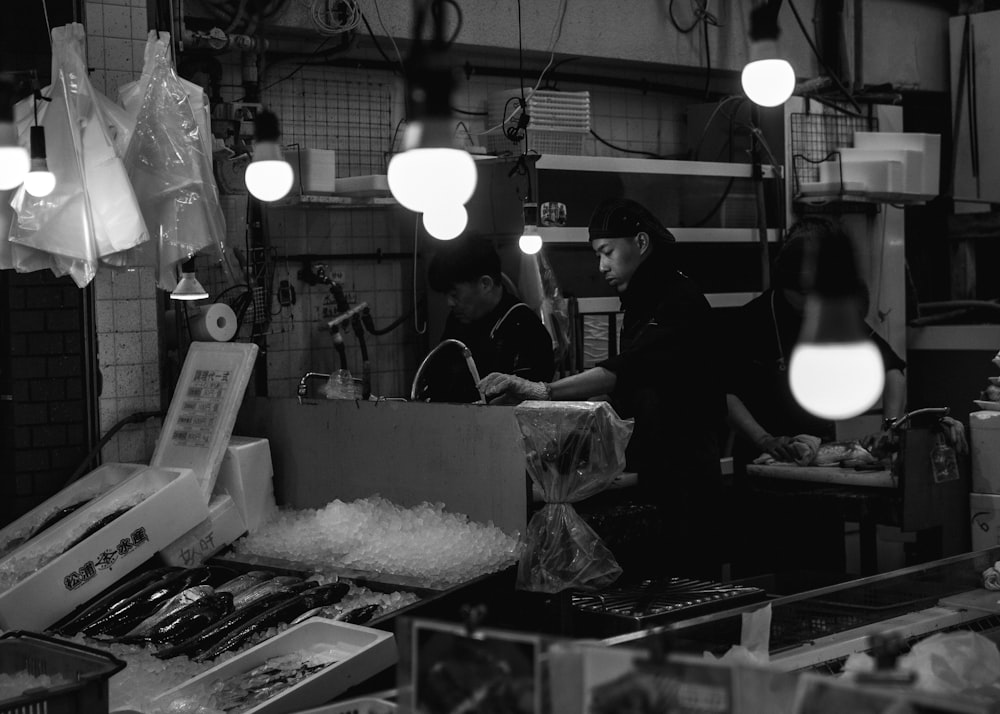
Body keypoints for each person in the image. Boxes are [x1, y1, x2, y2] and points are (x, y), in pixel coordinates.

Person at [478, 198, 727, 578]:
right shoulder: (643, 299)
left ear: (641, 243)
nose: (601, 266)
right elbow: (626, 384)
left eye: (607, 252)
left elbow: (628, 369)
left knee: (688, 591)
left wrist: (544, 391)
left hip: (687, 478)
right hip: (656, 471)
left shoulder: (679, 300)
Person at [724, 217, 908, 575]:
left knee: (820, 572)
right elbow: (722, 391)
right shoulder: (750, 321)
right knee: (763, 576)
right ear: (784, 283)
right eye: (804, 294)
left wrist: (891, 425)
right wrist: (764, 438)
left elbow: (893, 371)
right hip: (762, 468)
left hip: (816, 471)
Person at [419, 237, 555, 403]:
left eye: (455, 294)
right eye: (446, 295)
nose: (449, 303)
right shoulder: (457, 322)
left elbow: (529, 398)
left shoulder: (525, 327)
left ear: (485, 284)